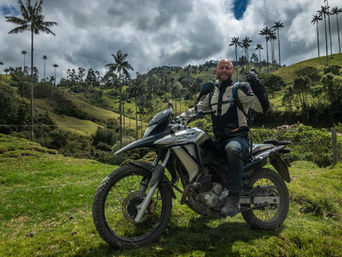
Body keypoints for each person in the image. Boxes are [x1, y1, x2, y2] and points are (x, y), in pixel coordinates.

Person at [177, 59, 269, 217]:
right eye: (221, 67)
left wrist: (257, 84)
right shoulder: (212, 92)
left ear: (232, 71)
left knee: (231, 149)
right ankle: (207, 195)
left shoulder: (239, 88)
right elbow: (197, 108)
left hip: (239, 138)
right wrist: (179, 118)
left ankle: (234, 198)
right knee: (198, 153)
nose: (224, 70)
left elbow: (262, 107)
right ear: (216, 71)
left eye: (228, 67)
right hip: (219, 140)